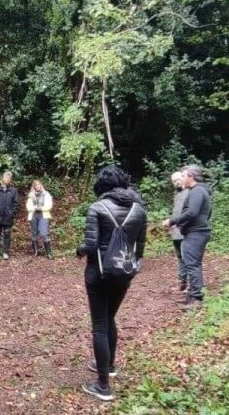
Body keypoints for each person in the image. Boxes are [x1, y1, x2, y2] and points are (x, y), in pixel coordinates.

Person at [76, 165, 147, 402]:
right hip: (124, 273)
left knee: (100, 325)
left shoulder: (97, 207)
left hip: (99, 274)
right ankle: (110, 365)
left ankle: (103, 386)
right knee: (110, 319)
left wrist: (79, 249)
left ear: (102, 186)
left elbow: (91, 245)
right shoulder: (139, 209)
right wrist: (132, 269)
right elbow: (140, 249)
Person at [163, 165, 212, 309]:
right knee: (191, 263)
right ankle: (191, 296)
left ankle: (196, 299)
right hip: (196, 231)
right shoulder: (199, 190)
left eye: (183, 176)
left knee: (192, 264)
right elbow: (203, 214)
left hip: (196, 234)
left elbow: (192, 212)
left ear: (191, 176)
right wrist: (183, 225)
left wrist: (173, 221)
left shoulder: (197, 191)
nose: (181, 178)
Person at [0, 171, 19, 260]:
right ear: (3, 179)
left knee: (7, 236)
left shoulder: (13, 191)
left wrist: (11, 213)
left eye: (9, 178)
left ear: (11, 180)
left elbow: (16, 204)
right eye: (6, 177)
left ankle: (5, 252)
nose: (7, 179)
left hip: (8, 218)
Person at [168, 172, 189, 293]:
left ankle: (192, 285)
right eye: (174, 181)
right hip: (175, 232)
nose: (176, 182)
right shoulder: (177, 194)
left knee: (187, 257)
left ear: (183, 178)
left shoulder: (190, 192)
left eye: (178, 179)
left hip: (185, 231)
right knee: (180, 257)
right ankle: (182, 283)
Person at [26, 179, 54, 259]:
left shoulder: (46, 194)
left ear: (41, 185)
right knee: (34, 233)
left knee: (44, 232)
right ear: (34, 187)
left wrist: (41, 208)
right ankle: (36, 251)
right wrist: (35, 208)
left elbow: (49, 205)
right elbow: (28, 206)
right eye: (35, 185)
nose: (37, 186)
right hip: (33, 215)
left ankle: (49, 252)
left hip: (43, 215)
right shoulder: (31, 195)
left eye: (38, 184)